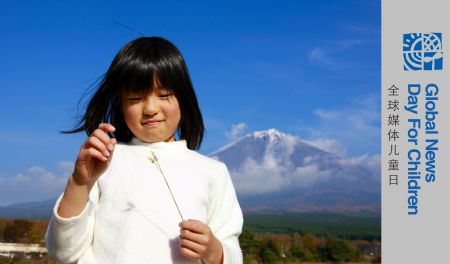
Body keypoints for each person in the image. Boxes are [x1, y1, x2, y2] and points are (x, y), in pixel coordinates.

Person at [45, 37, 243, 263]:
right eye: (136, 98)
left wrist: (215, 252)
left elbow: (232, 252)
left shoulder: (212, 172)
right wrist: (80, 184)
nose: (150, 109)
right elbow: (63, 251)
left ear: (183, 98)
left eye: (164, 95)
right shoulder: (103, 163)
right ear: (121, 104)